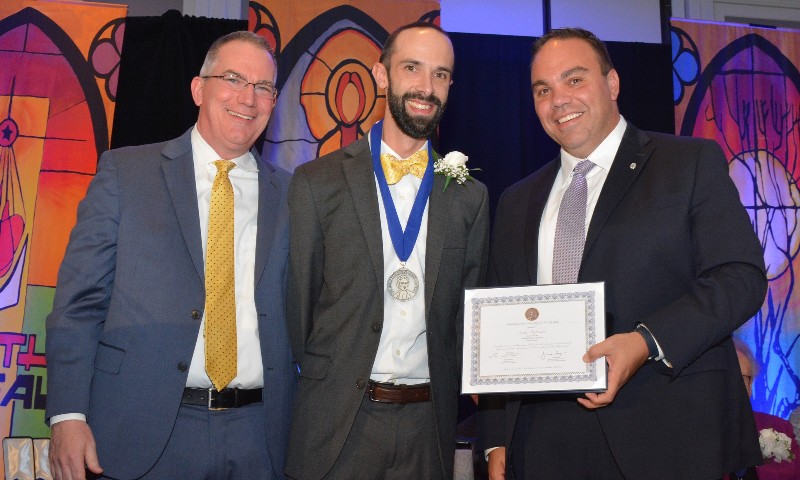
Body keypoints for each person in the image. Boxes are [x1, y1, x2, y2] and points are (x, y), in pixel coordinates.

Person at [478, 27, 767, 479]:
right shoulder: (517, 200)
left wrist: (645, 341)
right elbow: (499, 321)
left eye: (574, 80)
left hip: (663, 436)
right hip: (540, 444)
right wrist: (496, 438)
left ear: (612, 84)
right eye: (543, 90)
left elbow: (740, 277)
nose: (558, 100)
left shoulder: (688, 163)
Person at [45, 31, 295, 480]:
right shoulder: (125, 174)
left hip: (260, 437)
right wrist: (67, 415)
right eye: (234, 79)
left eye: (264, 88)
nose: (248, 98)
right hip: (142, 430)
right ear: (199, 88)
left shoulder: (295, 195)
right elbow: (78, 305)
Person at [285, 22, 489, 480]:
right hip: (338, 424)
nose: (426, 87)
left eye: (440, 75)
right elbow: (297, 311)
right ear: (381, 76)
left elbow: (467, 320)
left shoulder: (468, 195)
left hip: (428, 429)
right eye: (412, 68)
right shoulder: (317, 183)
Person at [732, 342, 800, 480]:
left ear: (751, 387)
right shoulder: (693, 434)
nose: (735, 387)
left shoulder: (780, 428)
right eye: (728, 379)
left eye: (743, 379)